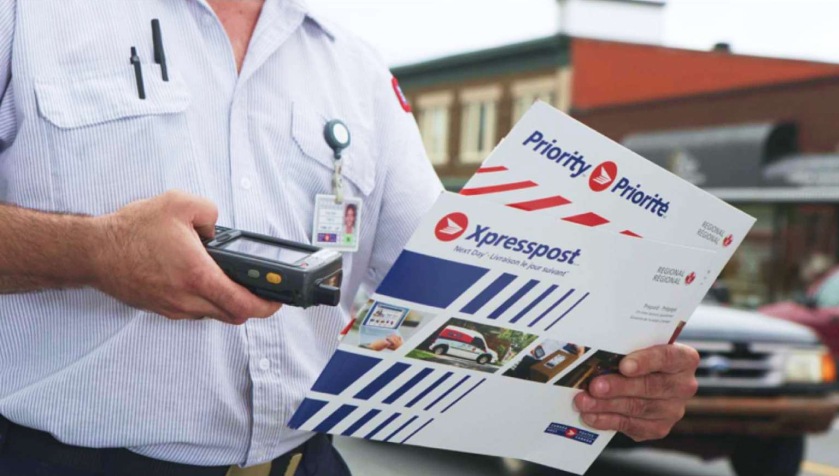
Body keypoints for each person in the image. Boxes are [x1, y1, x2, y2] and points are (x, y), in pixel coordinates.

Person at [0, 1, 699, 475]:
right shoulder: (30, 17)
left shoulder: (352, 68)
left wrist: (611, 369)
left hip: (310, 461)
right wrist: (94, 251)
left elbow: (442, 281)